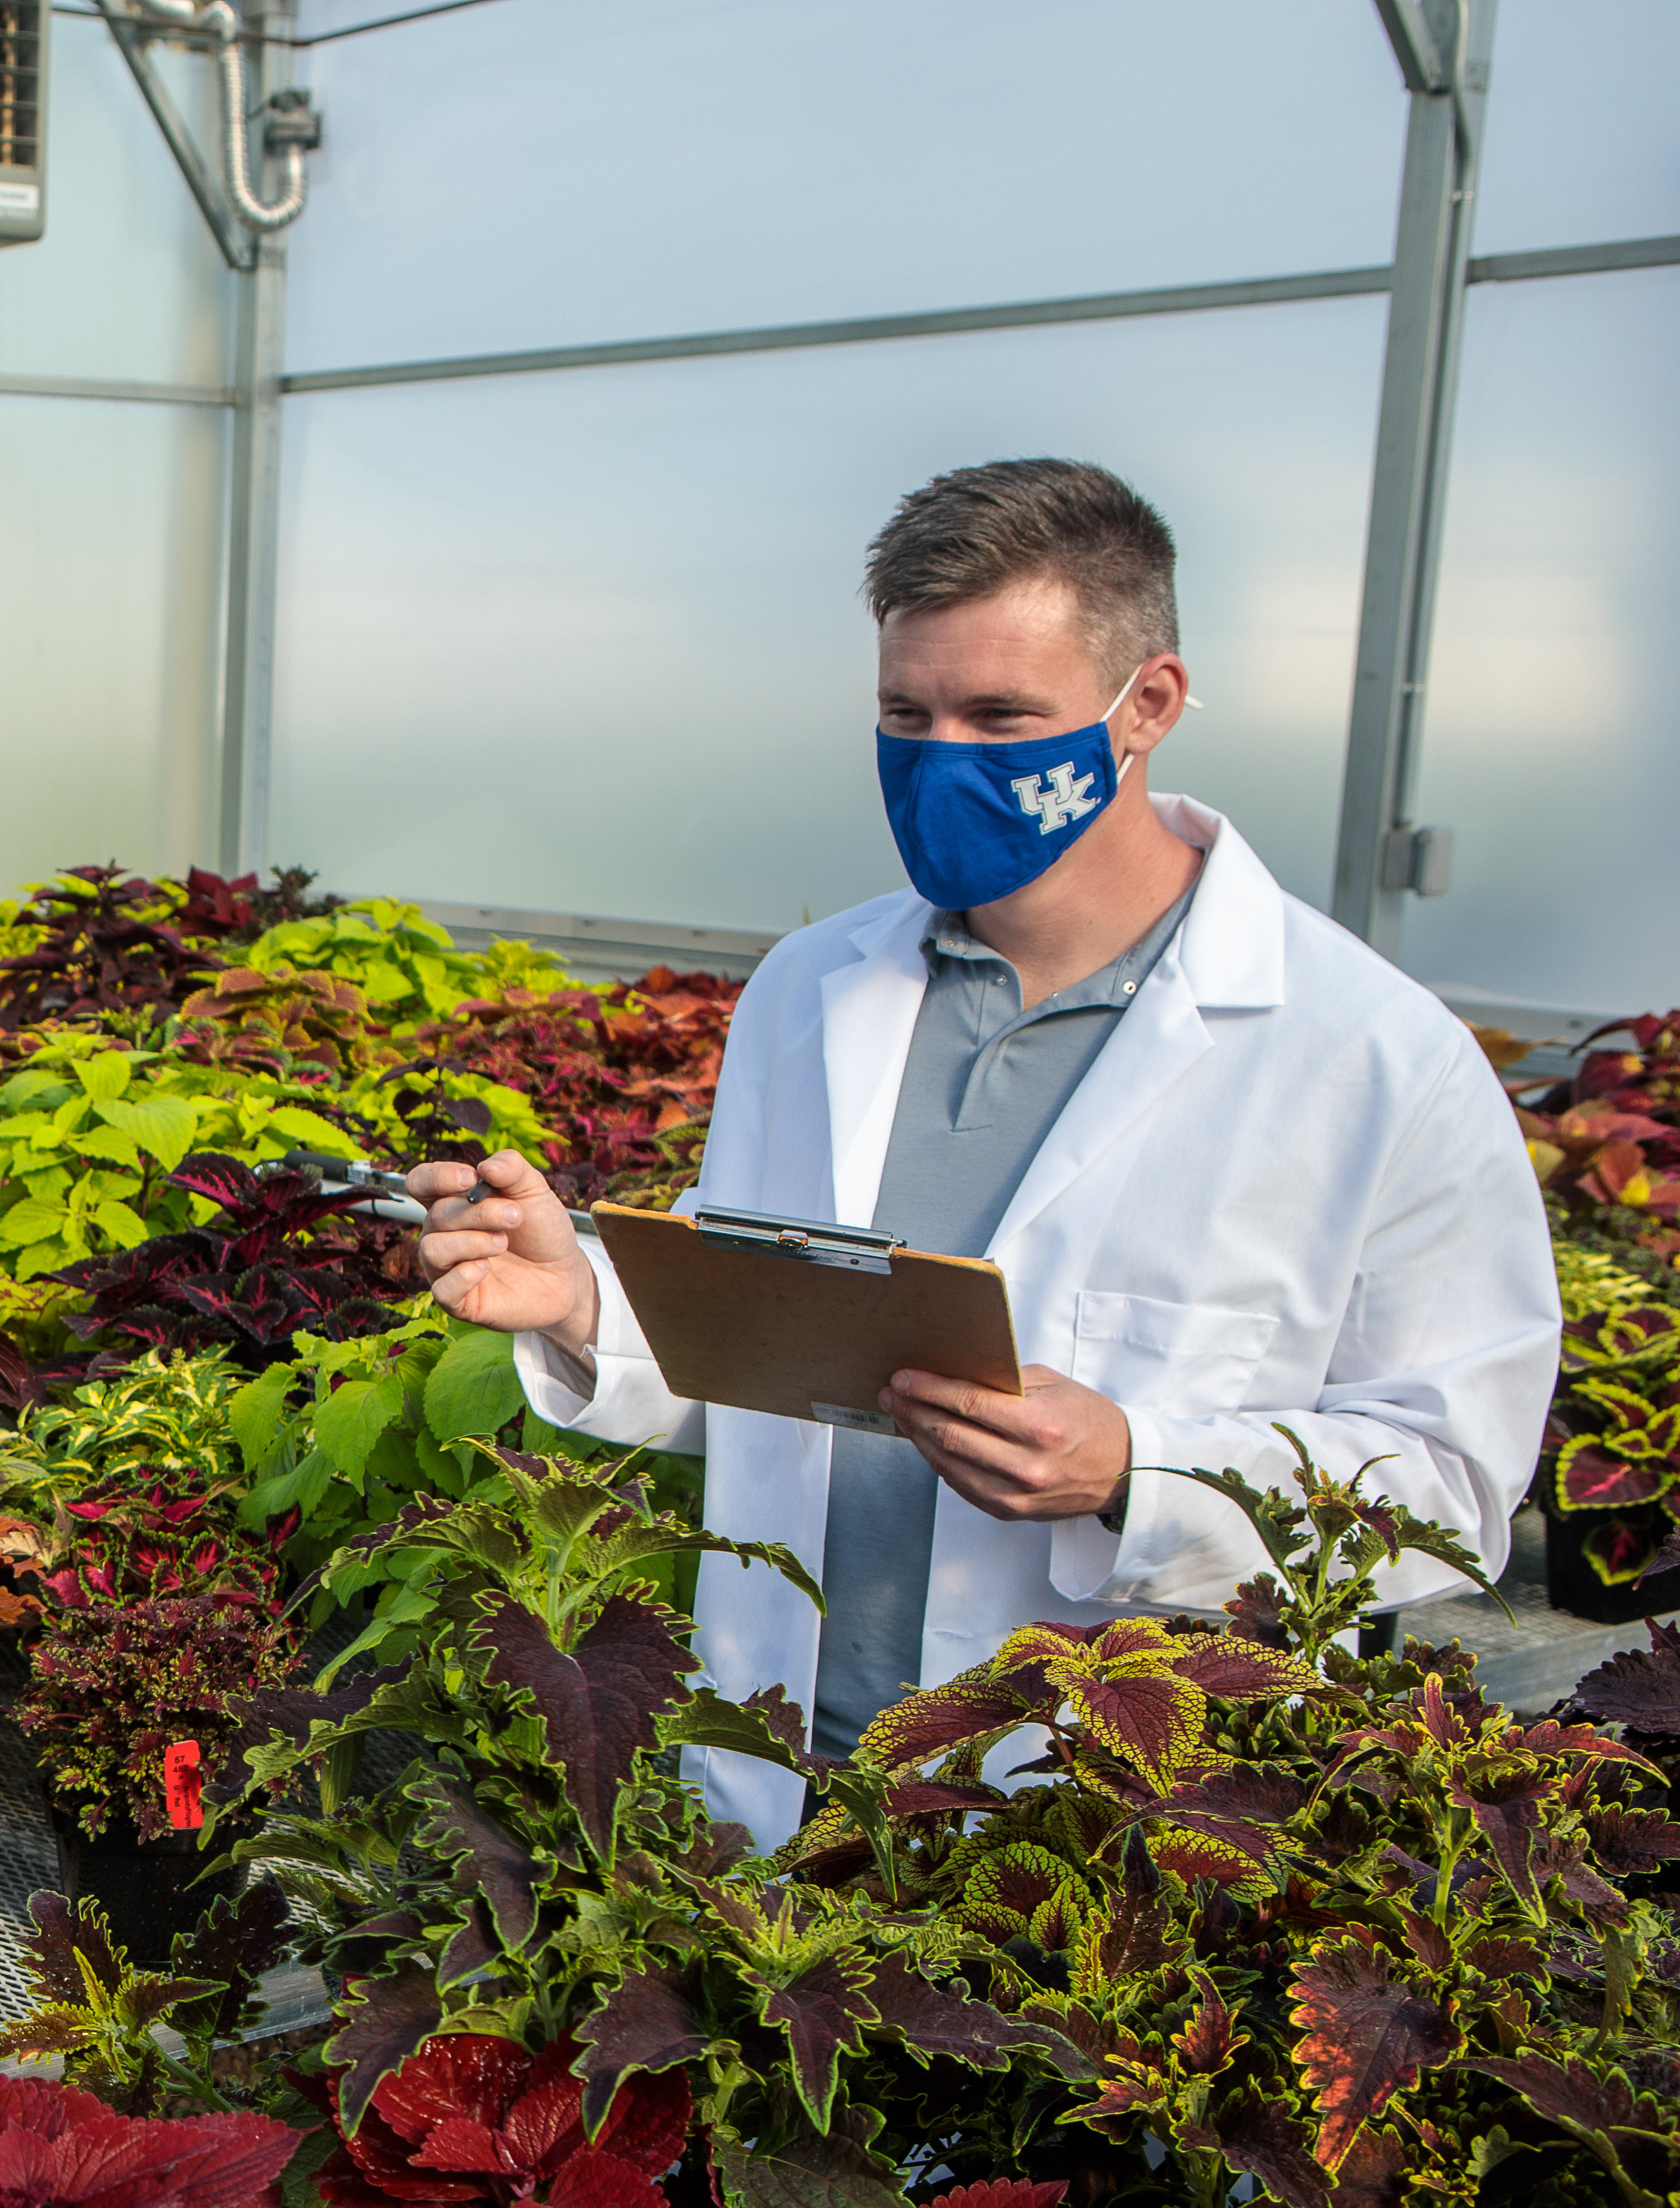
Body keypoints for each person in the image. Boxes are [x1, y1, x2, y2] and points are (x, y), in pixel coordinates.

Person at [409, 459, 1553, 1844]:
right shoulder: (813, 987)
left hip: (1101, 1836)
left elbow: (1454, 1485)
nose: (943, 754)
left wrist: (1139, 1469)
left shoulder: (1371, 1056)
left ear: (1150, 706)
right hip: (776, 1791)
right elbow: (788, 1331)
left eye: (1002, 715)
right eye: (907, 711)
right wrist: (586, 1293)